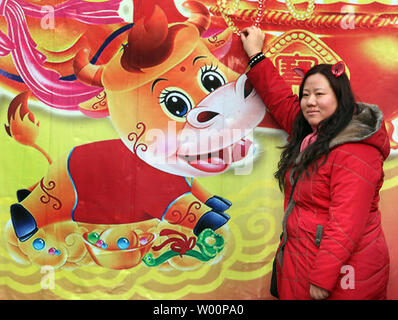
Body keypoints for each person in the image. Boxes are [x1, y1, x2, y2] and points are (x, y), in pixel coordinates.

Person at [240, 26, 390, 300]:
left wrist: (322, 280)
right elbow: (282, 101)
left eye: (319, 94)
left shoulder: (356, 149)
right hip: (303, 259)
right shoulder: (316, 130)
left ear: (339, 97)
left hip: (343, 275)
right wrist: (256, 57)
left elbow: (346, 224)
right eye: (306, 94)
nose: (310, 102)